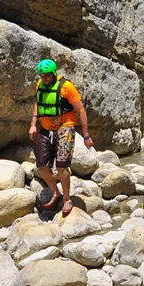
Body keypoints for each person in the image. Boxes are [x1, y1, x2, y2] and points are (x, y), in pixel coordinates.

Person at [30, 59, 94, 216]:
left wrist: (86, 136)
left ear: (53, 73)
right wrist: (33, 124)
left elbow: (81, 110)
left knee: (62, 166)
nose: (44, 78)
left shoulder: (67, 87)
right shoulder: (40, 84)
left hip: (65, 127)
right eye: (42, 75)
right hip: (46, 128)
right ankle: (55, 193)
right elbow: (38, 103)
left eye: (47, 75)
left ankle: (67, 199)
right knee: (42, 166)